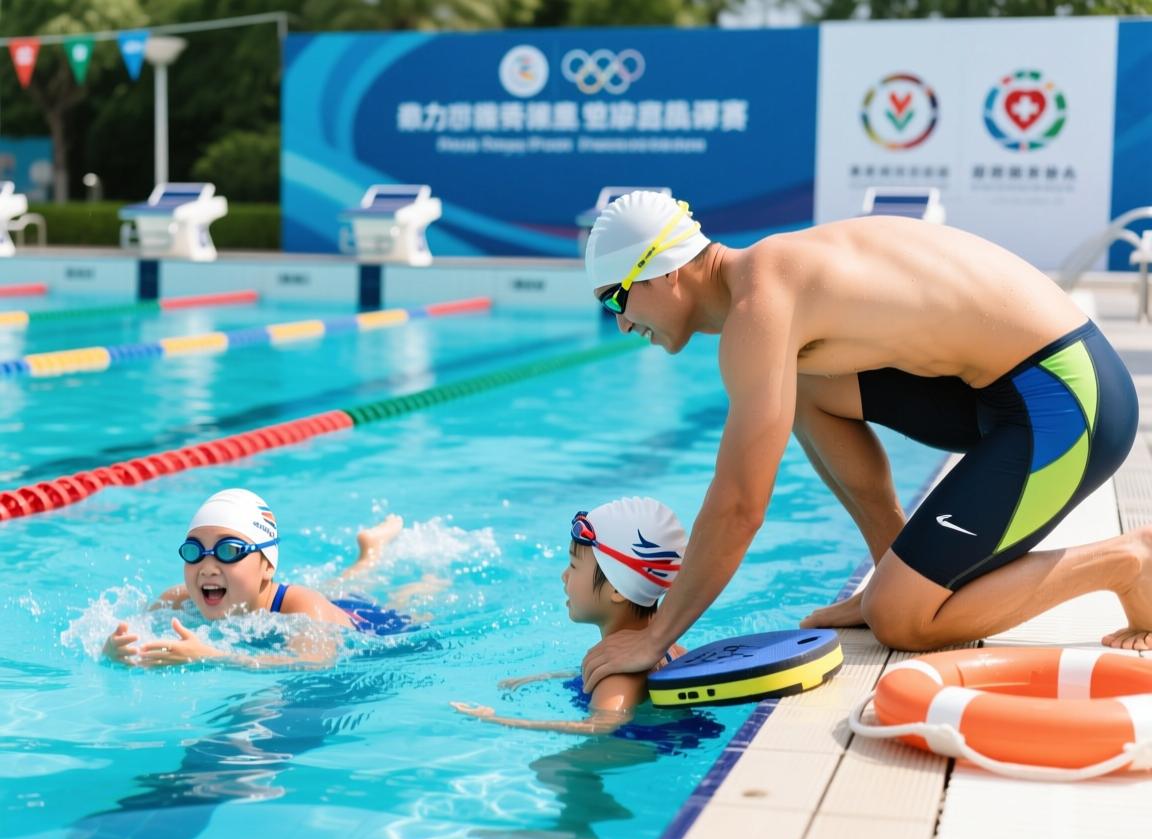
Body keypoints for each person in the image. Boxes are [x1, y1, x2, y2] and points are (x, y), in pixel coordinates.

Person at [579, 190, 1147, 692]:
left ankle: (1125, 561)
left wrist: (656, 636)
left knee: (903, 620)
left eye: (615, 298)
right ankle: (894, 562)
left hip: (1070, 400)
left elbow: (739, 506)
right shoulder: (776, 271)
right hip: (1005, 388)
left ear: (665, 272)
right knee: (803, 388)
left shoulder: (763, 303)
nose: (621, 323)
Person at [102, 488, 442, 668]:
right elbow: (133, 637)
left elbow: (312, 664)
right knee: (341, 586)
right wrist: (115, 651)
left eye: (229, 551)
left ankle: (429, 576)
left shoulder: (303, 607)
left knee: (410, 603)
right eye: (194, 551)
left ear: (268, 566)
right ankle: (369, 553)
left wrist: (213, 656)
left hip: (369, 623)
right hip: (308, 602)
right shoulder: (177, 600)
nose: (206, 566)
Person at [451, 497, 691, 734]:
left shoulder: (618, 677)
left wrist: (494, 719)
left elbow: (600, 727)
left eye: (574, 566)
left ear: (617, 588)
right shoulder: (668, 647)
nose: (564, 576)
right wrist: (548, 677)